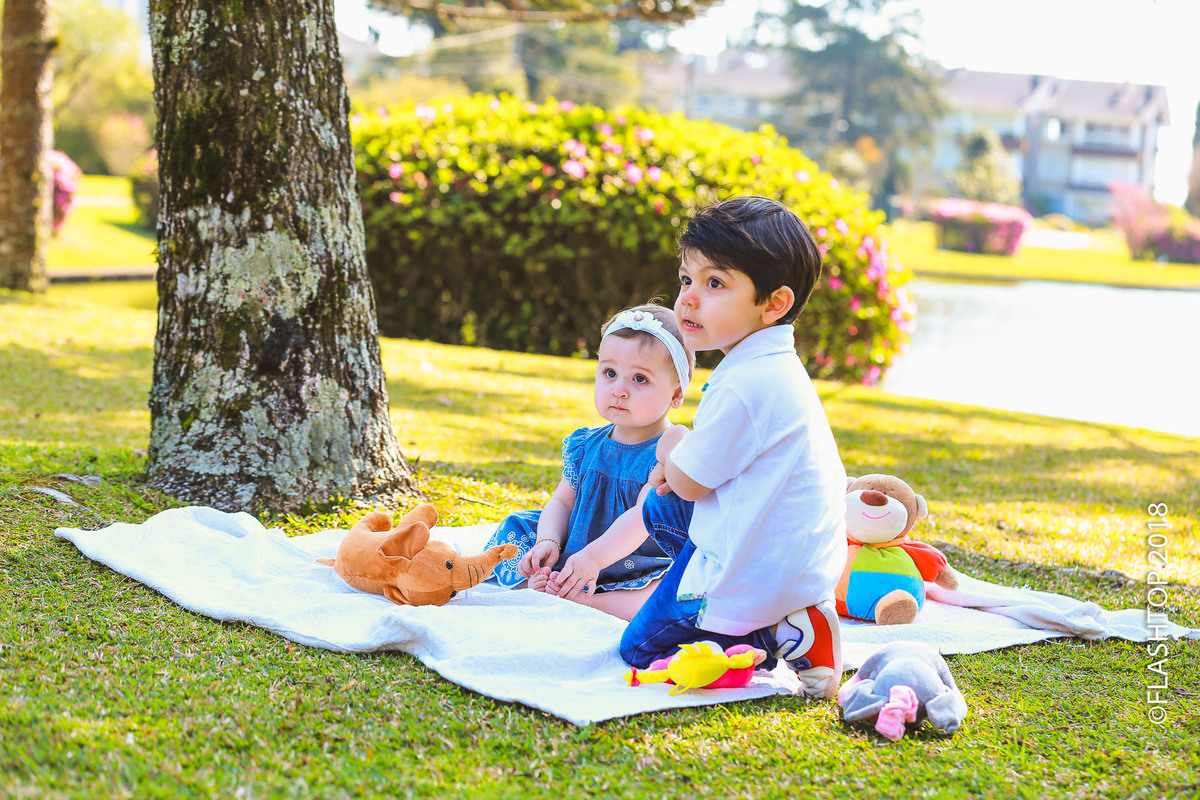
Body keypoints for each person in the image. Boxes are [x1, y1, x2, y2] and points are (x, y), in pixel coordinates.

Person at [550, 196, 848, 700]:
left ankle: (776, 634)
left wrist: (672, 449)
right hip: (788, 551)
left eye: (715, 284)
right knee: (658, 505)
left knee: (642, 649)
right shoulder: (773, 367)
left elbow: (687, 482)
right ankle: (625, 569)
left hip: (757, 569)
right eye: (687, 279)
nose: (687, 298)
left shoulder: (744, 384)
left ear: (773, 304)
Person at [484, 303, 695, 621]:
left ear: (676, 393)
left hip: (637, 558)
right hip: (576, 546)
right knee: (517, 529)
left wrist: (595, 559)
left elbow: (641, 518)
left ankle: (592, 603)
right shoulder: (585, 445)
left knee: (671, 587)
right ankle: (544, 580)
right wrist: (548, 541)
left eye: (639, 379)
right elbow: (563, 501)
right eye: (610, 373)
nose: (619, 390)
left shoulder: (667, 454)